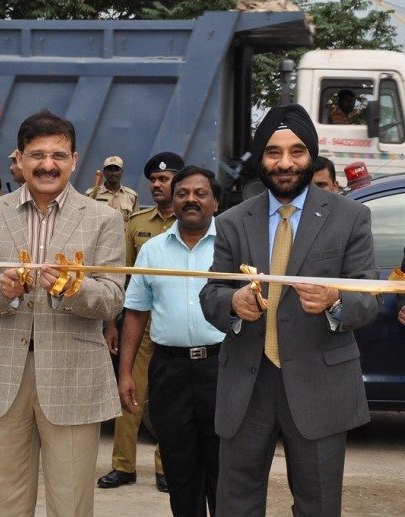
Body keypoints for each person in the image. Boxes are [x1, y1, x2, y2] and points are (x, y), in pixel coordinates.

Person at [200, 104, 379, 516]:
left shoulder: (351, 217)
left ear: (311, 156)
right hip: (248, 382)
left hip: (320, 384)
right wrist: (233, 303)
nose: (285, 163)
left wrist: (335, 301)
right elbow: (211, 294)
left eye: (297, 152)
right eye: (273, 152)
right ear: (261, 158)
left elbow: (368, 296)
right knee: (235, 503)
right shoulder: (231, 221)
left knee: (318, 504)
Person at [0, 110, 125, 516]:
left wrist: (73, 290)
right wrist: (1, 289)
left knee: (71, 504)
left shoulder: (104, 218)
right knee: (1, 503)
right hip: (0, 377)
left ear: (75, 160)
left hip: (73, 376)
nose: (48, 165)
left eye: (58, 155)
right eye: (37, 155)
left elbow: (113, 298)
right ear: (20, 159)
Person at [119, 166, 224, 516]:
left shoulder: (233, 247)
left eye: (200, 193)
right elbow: (135, 313)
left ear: (216, 202)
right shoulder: (152, 251)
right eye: (183, 193)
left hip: (222, 367)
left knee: (224, 468)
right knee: (180, 468)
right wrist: (126, 374)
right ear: (173, 200)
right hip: (169, 370)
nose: (191, 199)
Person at [97, 151, 184, 493]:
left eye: (164, 179)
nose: (157, 184)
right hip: (141, 327)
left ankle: (167, 469)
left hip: (177, 328)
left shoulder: (193, 221)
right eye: (154, 179)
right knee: (129, 395)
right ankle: (123, 466)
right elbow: (122, 278)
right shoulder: (137, 222)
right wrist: (112, 323)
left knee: (169, 403)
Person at [85, 155, 139, 223]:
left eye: (116, 170)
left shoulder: (131, 196)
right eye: (109, 170)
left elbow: (136, 223)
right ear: (104, 172)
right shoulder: (92, 194)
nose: (113, 173)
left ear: (121, 172)